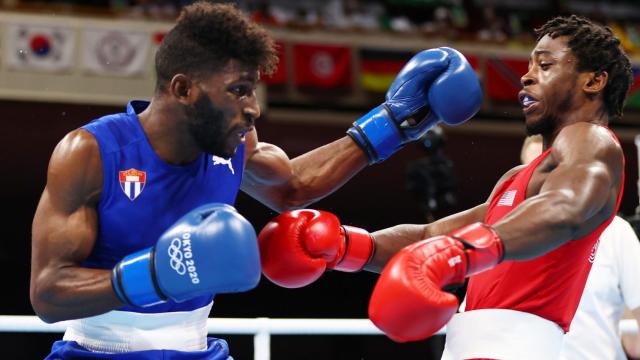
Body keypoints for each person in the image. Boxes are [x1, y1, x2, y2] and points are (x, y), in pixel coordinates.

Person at [29, 2, 483, 359]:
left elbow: (292, 188)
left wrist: (394, 123)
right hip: (94, 352)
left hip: (198, 350)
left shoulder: (235, 145)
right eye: (239, 90)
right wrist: (153, 276)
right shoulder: (91, 152)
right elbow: (47, 294)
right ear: (184, 89)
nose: (253, 108)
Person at [256, 15, 632, 359]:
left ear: (594, 80)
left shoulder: (592, 141)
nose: (527, 76)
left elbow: (565, 209)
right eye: (530, 64)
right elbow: (430, 234)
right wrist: (345, 246)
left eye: (545, 65)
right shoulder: (517, 178)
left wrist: (458, 254)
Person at [518, 135, 640, 360]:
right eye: (532, 171)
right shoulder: (506, 237)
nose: (541, 182)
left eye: (549, 169)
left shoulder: (615, 232)